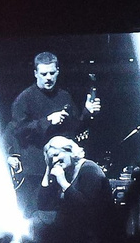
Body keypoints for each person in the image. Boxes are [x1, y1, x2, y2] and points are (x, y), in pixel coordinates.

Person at [6, 52, 101, 196]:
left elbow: (75, 129)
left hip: (63, 170)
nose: (48, 78)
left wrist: (87, 112)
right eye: (44, 74)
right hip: (35, 172)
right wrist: (48, 121)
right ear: (35, 73)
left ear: (58, 71)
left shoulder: (64, 96)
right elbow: (18, 131)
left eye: (52, 73)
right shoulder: (24, 99)